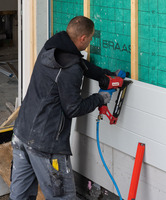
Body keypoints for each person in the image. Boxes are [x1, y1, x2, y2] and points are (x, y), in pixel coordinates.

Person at [9, 16, 126, 199]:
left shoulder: (51, 47)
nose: (90, 41)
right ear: (83, 38)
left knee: (20, 197)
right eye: (90, 37)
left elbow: (80, 63)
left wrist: (103, 75)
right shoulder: (70, 69)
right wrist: (100, 98)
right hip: (47, 146)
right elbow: (73, 108)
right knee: (62, 196)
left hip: (21, 134)